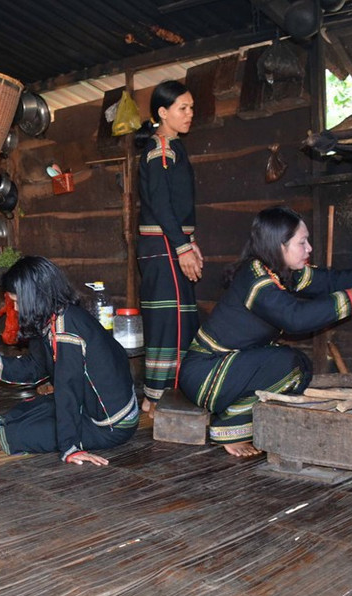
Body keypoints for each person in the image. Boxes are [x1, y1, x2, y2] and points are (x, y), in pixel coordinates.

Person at [178, 206, 352, 456]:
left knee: (300, 367)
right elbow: (294, 318)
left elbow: (330, 281)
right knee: (287, 364)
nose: (309, 248)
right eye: (302, 242)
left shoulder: (282, 272)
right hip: (206, 373)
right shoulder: (255, 278)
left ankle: (238, 415)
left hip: (231, 366)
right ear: (279, 245)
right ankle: (228, 426)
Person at [0, 256, 139, 466]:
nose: (17, 309)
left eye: (17, 301)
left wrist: (70, 448)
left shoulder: (68, 327)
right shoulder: (49, 319)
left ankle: (52, 438)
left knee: (16, 434)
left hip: (111, 424)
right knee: (20, 413)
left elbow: (68, 390)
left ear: (33, 297)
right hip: (88, 405)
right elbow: (36, 367)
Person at [136, 80, 203, 418]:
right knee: (169, 323)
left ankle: (168, 394)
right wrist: (181, 247)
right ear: (163, 113)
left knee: (180, 321)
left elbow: (177, 207)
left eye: (191, 108)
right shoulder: (159, 149)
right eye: (183, 108)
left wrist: (189, 243)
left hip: (172, 244)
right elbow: (161, 206)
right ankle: (156, 398)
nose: (190, 114)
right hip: (162, 246)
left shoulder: (174, 147)